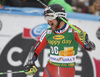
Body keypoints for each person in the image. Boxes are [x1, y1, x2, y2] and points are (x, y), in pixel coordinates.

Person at [24, 4, 95, 77]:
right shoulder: (48, 32)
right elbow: (36, 50)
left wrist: (86, 41)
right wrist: (30, 63)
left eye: (50, 17)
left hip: (67, 70)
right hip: (50, 69)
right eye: (46, 18)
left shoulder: (74, 31)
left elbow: (90, 48)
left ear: (60, 17)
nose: (48, 21)